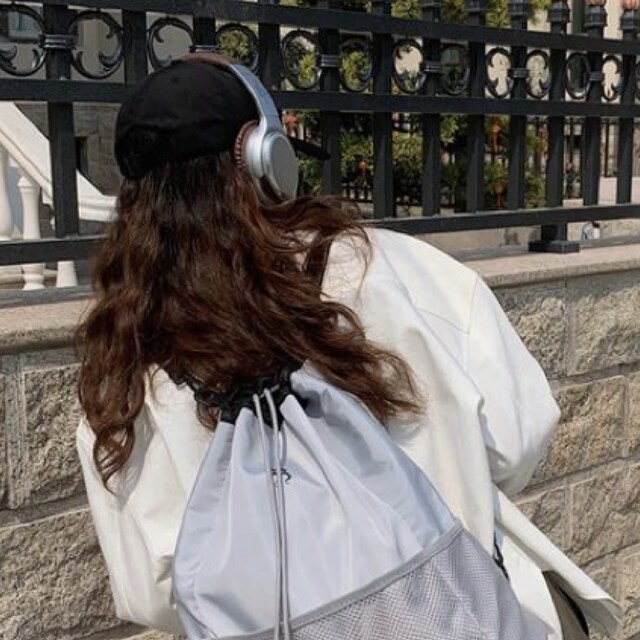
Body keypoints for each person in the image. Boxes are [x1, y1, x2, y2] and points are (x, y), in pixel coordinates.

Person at [75, 54, 619, 640]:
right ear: (264, 157)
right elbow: (517, 441)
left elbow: (150, 591)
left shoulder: (126, 363)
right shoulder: (394, 272)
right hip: (460, 615)